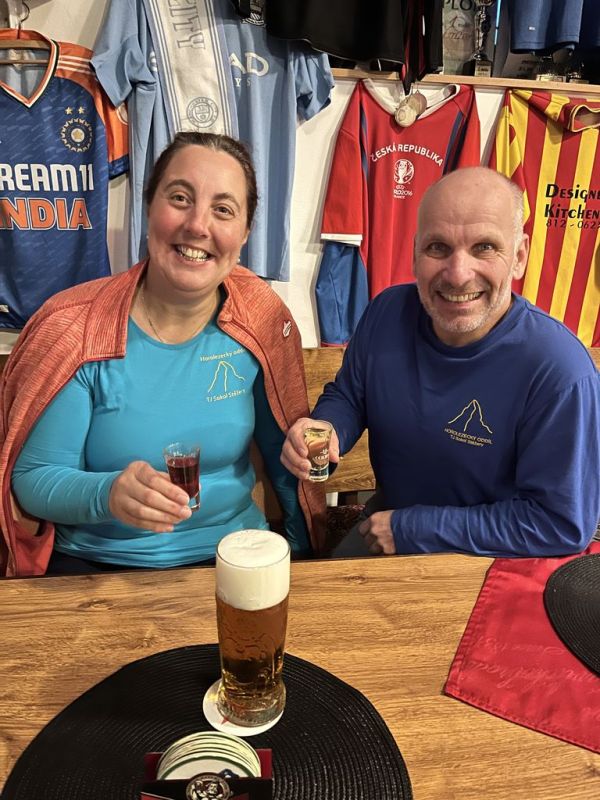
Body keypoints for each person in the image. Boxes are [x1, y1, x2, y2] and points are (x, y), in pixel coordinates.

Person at [0, 132, 325, 577]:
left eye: (223, 210)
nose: (198, 226)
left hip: (238, 557)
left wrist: (303, 560)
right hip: (97, 568)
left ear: (245, 233)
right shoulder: (73, 327)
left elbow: (283, 452)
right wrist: (108, 494)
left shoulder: (262, 318)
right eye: (180, 198)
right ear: (148, 206)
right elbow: (34, 479)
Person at [282, 166, 600, 558]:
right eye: (438, 247)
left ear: (519, 257)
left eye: (484, 247)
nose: (458, 274)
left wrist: (413, 529)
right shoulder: (386, 312)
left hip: (497, 558)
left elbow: (560, 525)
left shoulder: (560, 370)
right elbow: (350, 396)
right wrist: (326, 430)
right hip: (386, 532)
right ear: (415, 253)